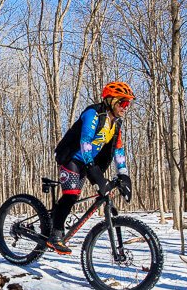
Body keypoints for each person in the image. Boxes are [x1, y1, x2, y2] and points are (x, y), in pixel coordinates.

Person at [47, 81, 134, 255]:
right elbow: (85, 141)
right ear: (111, 101)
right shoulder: (93, 113)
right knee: (71, 196)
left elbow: (119, 149)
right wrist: (92, 167)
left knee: (104, 192)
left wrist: (124, 174)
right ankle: (55, 235)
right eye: (123, 103)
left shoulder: (116, 123)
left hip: (88, 162)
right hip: (73, 158)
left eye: (128, 104)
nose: (126, 107)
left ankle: (53, 219)